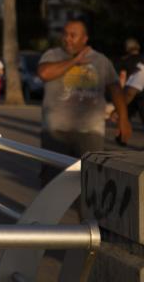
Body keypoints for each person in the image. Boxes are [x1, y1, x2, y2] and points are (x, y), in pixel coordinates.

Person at [37, 20, 131, 185]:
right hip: (55, 132)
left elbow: (115, 88)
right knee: (52, 185)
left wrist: (123, 119)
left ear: (85, 38)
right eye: (65, 34)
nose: (67, 39)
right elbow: (44, 73)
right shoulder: (52, 55)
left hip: (90, 132)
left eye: (73, 35)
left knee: (91, 186)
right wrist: (74, 61)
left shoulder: (101, 60)